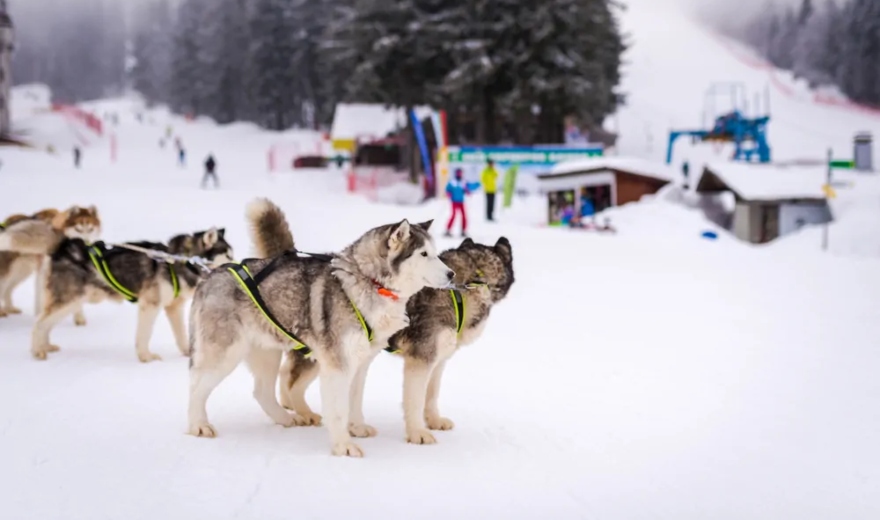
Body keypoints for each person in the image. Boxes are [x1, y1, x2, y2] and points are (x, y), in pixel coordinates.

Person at [445, 168, 471, 237]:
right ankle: (448, 229)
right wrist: (448, 193)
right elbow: (447, 189)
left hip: (461, 201)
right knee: (453, 215)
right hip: (454, 201)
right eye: (458, 173)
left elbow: (467, 189)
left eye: (461, 173)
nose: (460, 174)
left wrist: (467, 191)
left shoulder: (463, 182)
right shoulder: (452, 182)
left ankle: (463, 230)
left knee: (464, 216)